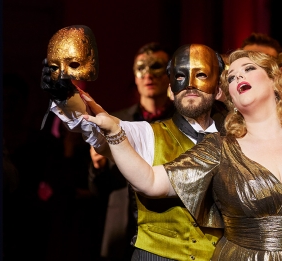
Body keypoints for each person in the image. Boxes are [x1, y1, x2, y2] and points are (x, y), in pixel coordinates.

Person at [79, 49, 282, 261]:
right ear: (227, 95)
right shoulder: (220, 147)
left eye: (248, 69)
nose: (238, 77)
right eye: (231, 77)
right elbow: (151, 182)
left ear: (275, 80)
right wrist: (114, 133)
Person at [42, 43, 228, 260]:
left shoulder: (239, 139)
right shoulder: (149, 134)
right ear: (170, 89)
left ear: (219, 89)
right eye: (180, 76)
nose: (190, 84)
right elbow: (96, 124)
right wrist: (63, 93)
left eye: (202, 74)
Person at [88, 42, 175, 261]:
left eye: (156, 67)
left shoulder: (181, 122)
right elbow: (99, 191)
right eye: (140, 68)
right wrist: (97, 167)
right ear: (134, 77)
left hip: (169, 232)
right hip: (122, 233)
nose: (148, 75)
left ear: (170, 75)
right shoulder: (113, 121)